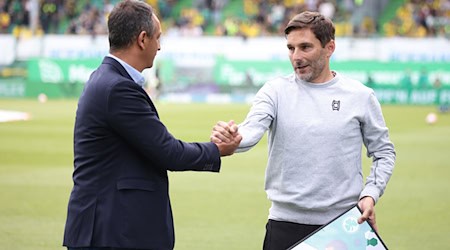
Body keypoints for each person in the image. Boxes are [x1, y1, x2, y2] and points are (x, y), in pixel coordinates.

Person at [62, 1, 241, 249]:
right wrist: (217, 149)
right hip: (112, 232)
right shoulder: (118, 88)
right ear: (142, 39)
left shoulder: (106, 79)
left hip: (108, 228)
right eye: (158, 38)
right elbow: (168, 152)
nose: (160, 46)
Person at [211, 11, 396, 250]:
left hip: (343, 224)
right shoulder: (275, 91)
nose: (296, 57)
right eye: (291, 48)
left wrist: (370, 193)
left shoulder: (360, 96)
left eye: (305, 47)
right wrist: (234, 138)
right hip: (284, 224)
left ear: (329, 48)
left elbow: (384, 153)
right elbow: (251, 130)